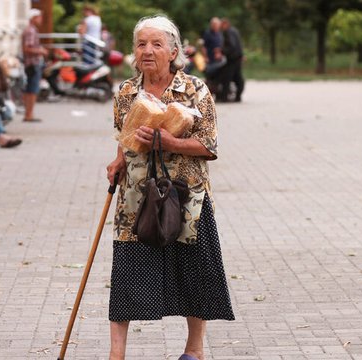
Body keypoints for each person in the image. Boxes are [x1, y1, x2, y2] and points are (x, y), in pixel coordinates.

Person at [105, 15, 234, 360]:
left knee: (194, 271)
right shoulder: (126, 92)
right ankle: (116, 354)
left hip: (186, 193)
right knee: (127, 272)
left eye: (156, 44)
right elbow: (125, 136)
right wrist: (118, 159)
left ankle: (194, 350)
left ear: (174, 51)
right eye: (141, 44)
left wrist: (169, 142)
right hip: (135, 196)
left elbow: (209, 147)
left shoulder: (195, 90)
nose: (148, 51)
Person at [21, 8, 48, 122]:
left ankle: (29, 113)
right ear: (33, 18)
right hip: (32, 63)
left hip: (31, 63)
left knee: (31, 89)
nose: (41, 19)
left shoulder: (31, 30)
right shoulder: (31, 31)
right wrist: (40, 51)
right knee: (32, 89)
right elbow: (27, 48)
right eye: (39, 17)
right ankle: (29, 114)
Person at [219, 18, 245, 102]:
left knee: (227, 77)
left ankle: (224, 98)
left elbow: (232, 46)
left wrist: (222, 51)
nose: (220, 27)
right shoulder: (234, 31)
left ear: (225, 24)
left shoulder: (228, 32)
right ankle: (238, 96)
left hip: (232, 59)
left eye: (221, 25)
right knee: (238, 78)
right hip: (238, 58)